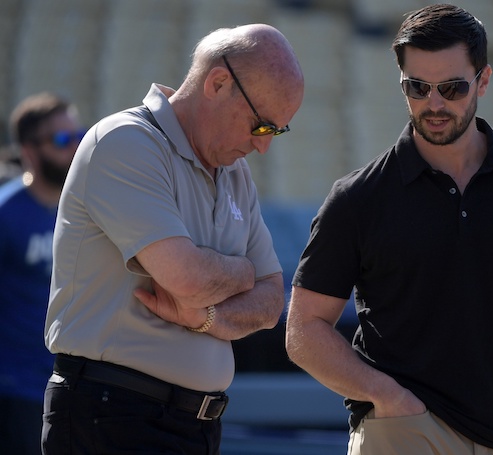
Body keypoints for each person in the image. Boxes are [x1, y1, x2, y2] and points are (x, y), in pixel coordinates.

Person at [285, 4, 493, 455]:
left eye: (452, 88)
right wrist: (389, 398)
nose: (434, 103)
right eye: (417, 87)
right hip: (401, 433)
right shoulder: (357, 197)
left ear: (484, 81)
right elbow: (304, 330)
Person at [42, 24, 304, 454]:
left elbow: (272, 301)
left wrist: (205, 319)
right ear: (218, 83)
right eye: (261, 127)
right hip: (112, 414)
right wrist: (243, 272)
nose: (264, 149)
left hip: (191, 423)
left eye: (277, 132)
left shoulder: (234, 174)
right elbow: (187, 280)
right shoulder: (125, 141)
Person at [0, 92, 83, 455]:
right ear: (30, 151)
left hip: (75, 386)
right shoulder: (7, 214)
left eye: (78, 135)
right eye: (62, 140)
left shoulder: (84, 208)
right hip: (16, 391)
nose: (75, 146)